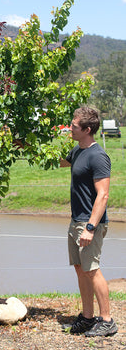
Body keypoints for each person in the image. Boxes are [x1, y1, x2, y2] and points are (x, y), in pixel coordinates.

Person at [60, 106, 118, 337]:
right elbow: (62, 162)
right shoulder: (78, 150)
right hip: (76, 221)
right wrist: (30, 148)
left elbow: (103, 195)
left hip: (90, 224)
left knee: (92, 270)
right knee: (80, 269)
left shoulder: (98, 156)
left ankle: (107, 320)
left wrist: (91, 228)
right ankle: (87, 317)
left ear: (86, 129)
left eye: (73, 126)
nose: (70, 128)